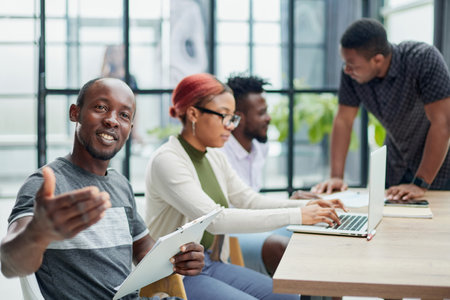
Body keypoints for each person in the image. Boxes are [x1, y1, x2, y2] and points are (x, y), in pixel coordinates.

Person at [145, 73, 346, 300]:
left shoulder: (214, 156)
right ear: (193, 113)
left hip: (210, 263)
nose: (231, 126)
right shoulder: (168, 160)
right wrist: (298, 214)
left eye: (233, 118)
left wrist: (308, 205)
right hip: (177, 274)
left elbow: (249, 200)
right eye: (224, 116)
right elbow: (216, 220)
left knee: (290, 297)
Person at [0, 78, 204, 300]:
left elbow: (144, 247)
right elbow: (9, 263)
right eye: (101, 108)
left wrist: (180, 257)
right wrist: (37, 233)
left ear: (129, 129)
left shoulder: (120, 184)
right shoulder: (45, 183)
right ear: (75, 113)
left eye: (124, 115)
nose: (112, 121)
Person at [312, 18, 450, 200]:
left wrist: (420, 183)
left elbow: (443, 122)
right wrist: (336, 176)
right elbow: (344, 120)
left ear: (377, 60)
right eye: (345, 63)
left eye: (352, 65)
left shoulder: (422, 59)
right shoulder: (351, 73)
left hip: (437, 167)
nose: (347, 70)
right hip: (395, 166)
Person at [222, 74, 318, 276]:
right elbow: (233, 213)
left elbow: (253, 200)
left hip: (256, 222)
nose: (269, 118)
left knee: (316, 225)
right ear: (239, 117)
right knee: (280, 247)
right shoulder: (221, 152)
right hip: (230, 232)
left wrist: (291, 203)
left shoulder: (259, 147)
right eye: (262, 113)